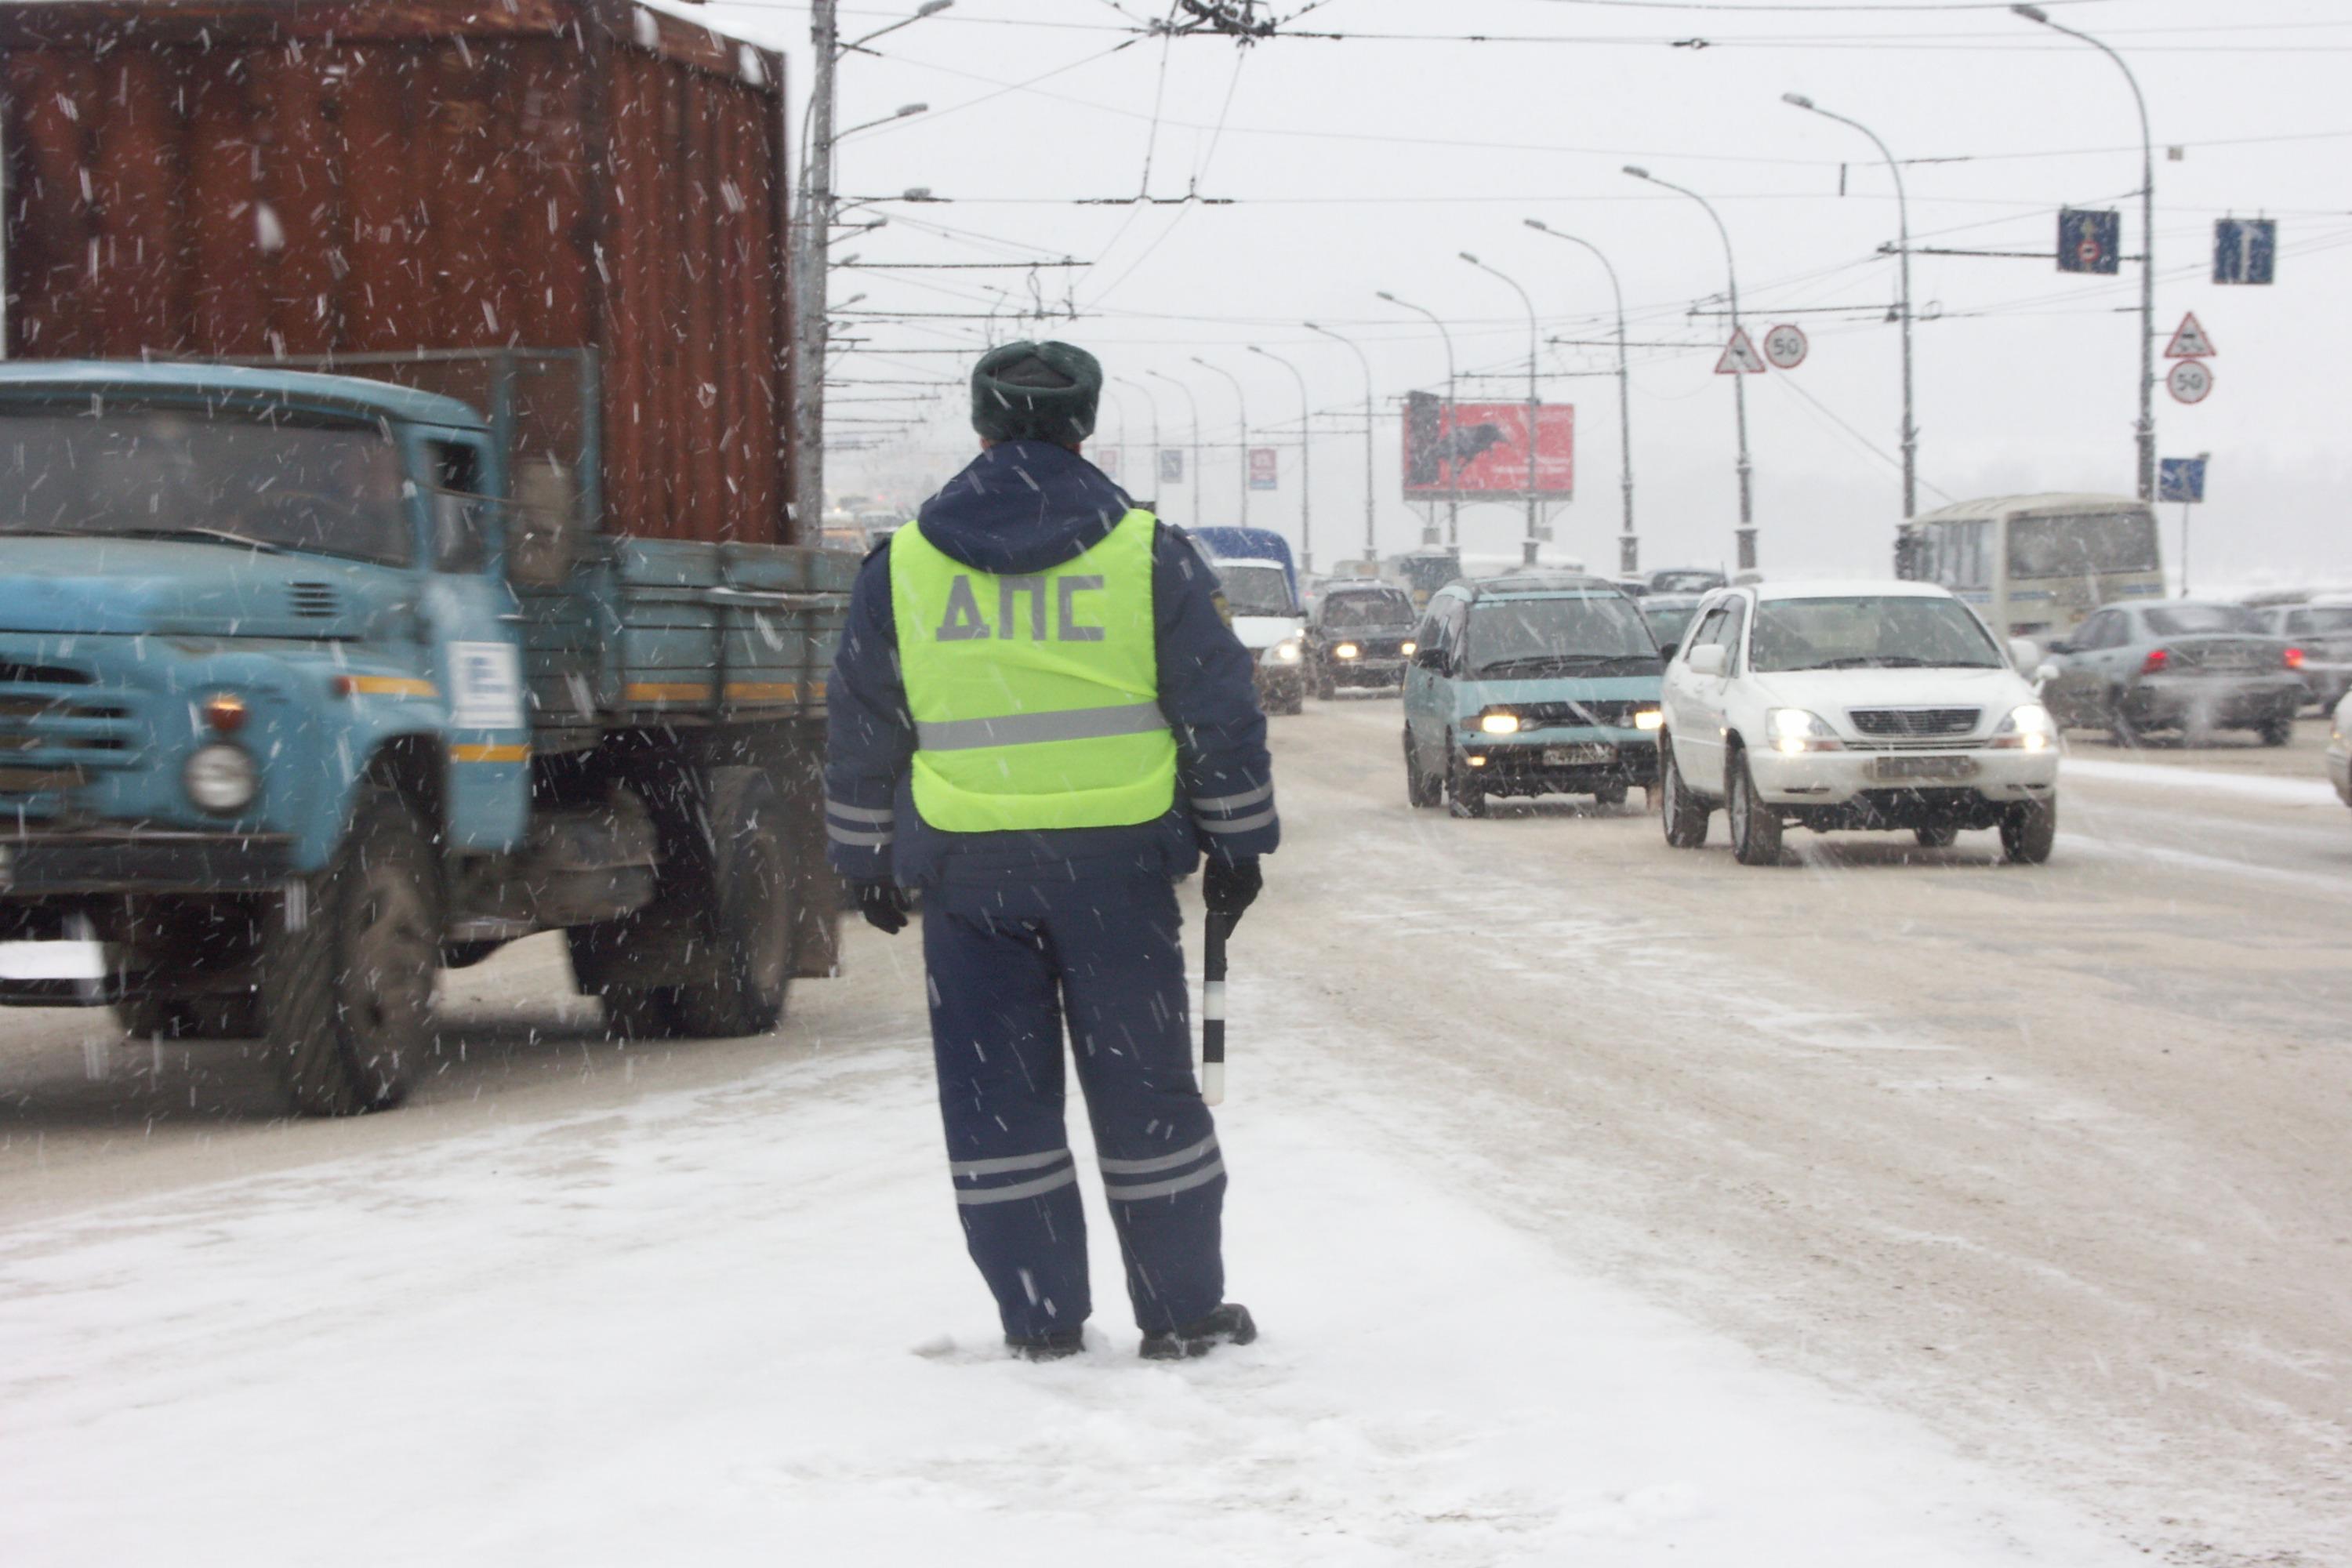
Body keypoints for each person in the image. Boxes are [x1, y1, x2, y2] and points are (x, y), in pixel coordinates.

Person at [825, 339, 1279, 1363]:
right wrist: (1239, 839)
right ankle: (1180, 1311)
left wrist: (864, 858)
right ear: (1085, 425)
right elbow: (1219, 708)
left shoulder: (905, 565)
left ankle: (1039, 1320)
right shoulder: (1144, 553)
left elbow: (860, 722)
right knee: (1147, 1091)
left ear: (980, 425)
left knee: (996, 1105)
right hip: (1116, 873)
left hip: (967, 876)